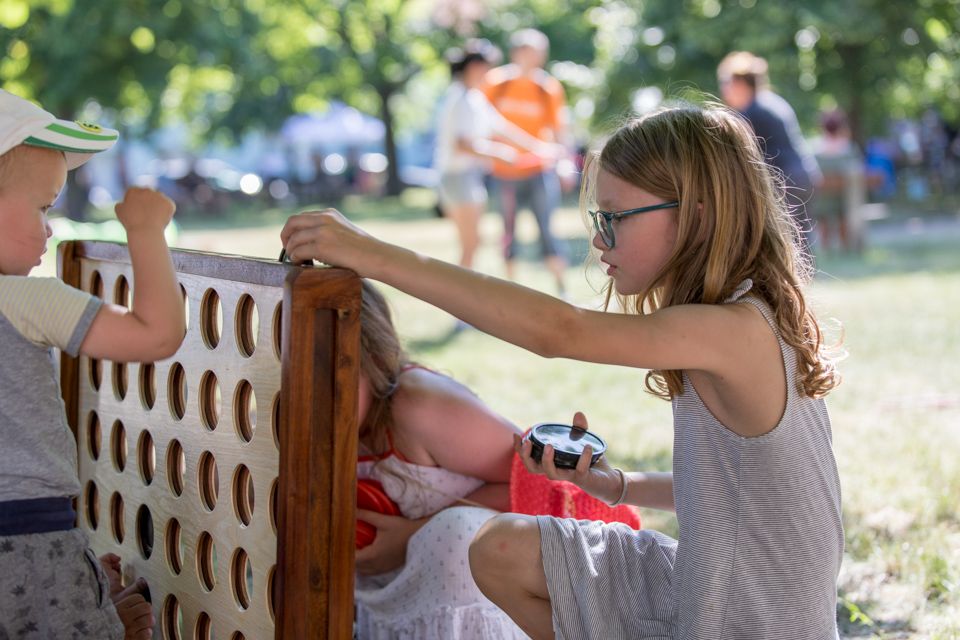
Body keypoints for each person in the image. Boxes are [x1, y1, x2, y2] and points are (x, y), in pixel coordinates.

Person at [280, 102, 843, 639]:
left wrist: (371, 253)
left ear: (696, 213)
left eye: (616, 218)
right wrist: (613, 484)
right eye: (600, 218)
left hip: (755, 620)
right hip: (704, 583)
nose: (599, 239)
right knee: (500, 549)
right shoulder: (725, 324)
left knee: (499, 546)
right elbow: (741, 495)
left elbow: (557, 331)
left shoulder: (735, 330)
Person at [0, 89, 185, 639]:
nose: (49, 229)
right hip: (29, 536)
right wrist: (147, 233)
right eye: (42, 207)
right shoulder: (22, 298)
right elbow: (156, 335)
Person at [435, 39, 560, 274]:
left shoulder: (474, 97)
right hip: (458, 177)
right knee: (470, 245)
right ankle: (460, 304)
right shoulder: (461, 98)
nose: (491, 73)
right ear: (475, 67)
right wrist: (499, 154)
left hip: (468, 177)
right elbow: (463, 144)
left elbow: (502, 128)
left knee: (473, 245)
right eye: (488, 67)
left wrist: (539, 148)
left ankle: (462, 302)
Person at [482, 28, 570, 296]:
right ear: (517, 52)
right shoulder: (496, 83)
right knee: (509, 234)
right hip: (505, 173)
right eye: (532, 51)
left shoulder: (548, 87)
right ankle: (512, 292)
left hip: (539, 172)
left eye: (541, 52)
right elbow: (483, 124)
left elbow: (559, 130)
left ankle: (562, 289)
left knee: (547, 231)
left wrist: (564, 162)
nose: (538, 57)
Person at [718, 51, 822, 256]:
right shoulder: (772, 102)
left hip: (785, 180)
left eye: (726, 83)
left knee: (782, 241)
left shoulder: (750, 112)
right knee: (799, 239)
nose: (724, 90)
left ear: (740, 83)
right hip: (803, 175)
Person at [810, 109, 866, 253]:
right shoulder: (849, 149)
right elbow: (858, 172)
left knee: (823, 212)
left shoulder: (814, 150)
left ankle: (826, 248)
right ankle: (845, 247)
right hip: (843, 200)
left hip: (822, 200)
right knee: (843, 211)